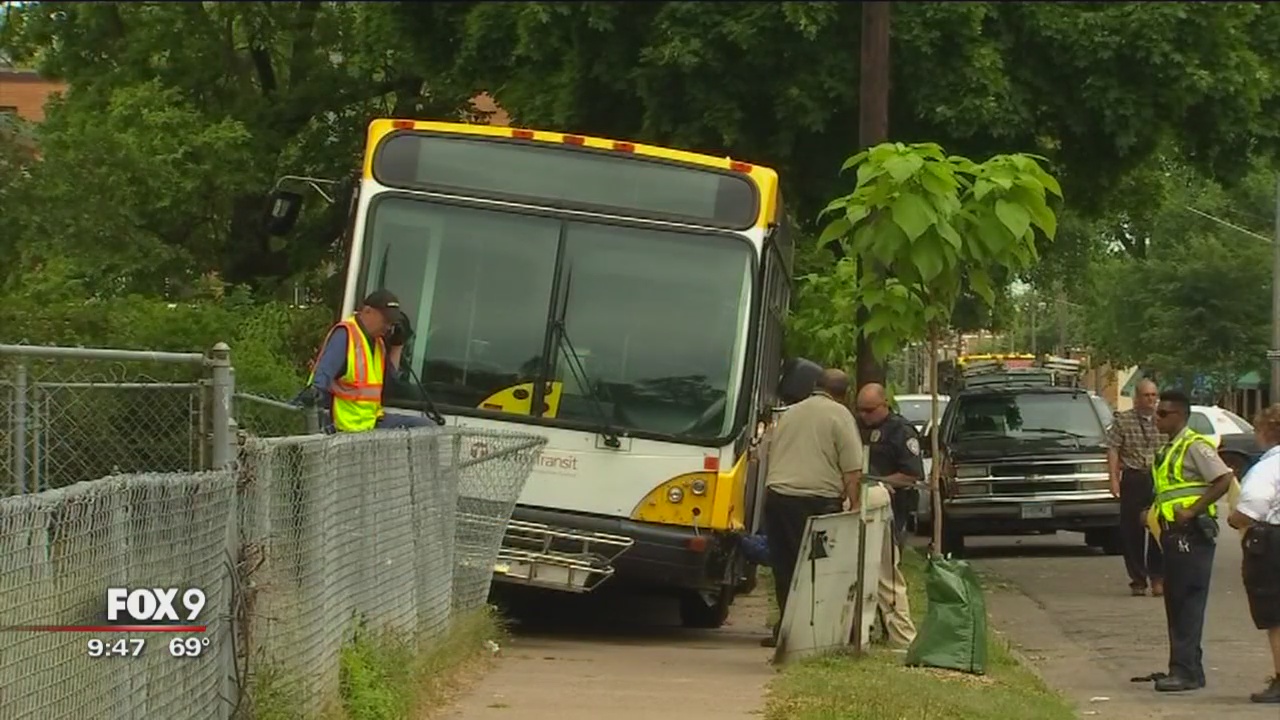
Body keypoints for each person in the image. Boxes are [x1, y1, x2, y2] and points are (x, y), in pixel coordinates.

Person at [760, 368, 864, 648]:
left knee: (785, 567)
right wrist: (854, 507)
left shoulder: (790, 413)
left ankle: (786, 630)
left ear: (815, 386)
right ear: (845, 394)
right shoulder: (840, 415)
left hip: (779, 498)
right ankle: (814, 633)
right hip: (816, 501)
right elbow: (852, 470)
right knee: (819, 569)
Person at [1139, 389, 1234, 693]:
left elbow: (1223, 479)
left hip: (1191, 534)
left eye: (1163, 413)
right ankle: (1187, 667)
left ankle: (1185, 671)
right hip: (1172, 532)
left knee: (1186, 601)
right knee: (1177, 600)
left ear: (1180, 415)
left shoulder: (1194, 446)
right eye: (1157, 412)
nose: (1157, 418)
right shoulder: (1170, 448)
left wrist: (1192, 510)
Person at [297, 289, 437, 433]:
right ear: (367, 311)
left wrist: (397, 346)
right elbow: (319, 385)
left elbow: (391, 385)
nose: (388, 327)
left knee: (427, 427)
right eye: (386, 321)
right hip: (344, 428)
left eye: (392, 323)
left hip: (371, 422)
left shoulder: (378, 343)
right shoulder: (345, 336)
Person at [854, 383, 921, 647]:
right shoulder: (858, 428)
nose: (864, 416)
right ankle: (866, 629)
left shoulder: (901, 431)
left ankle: (897, 634)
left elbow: (912, 474)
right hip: (862, 506)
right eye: (860, 410)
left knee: (887, 571)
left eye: (869, 411)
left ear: (884, 405)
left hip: (892, 509)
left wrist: (878, 482)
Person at [1227, 403, 1280, 703]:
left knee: (1274, 613)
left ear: (1265, 432)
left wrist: (1233, 519)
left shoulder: (1268, 467)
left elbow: (1251, 509)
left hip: (1273, 541)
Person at [1106, 379, 1167, 596]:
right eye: (1146, 396)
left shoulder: (1163, 420)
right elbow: (1113, 449)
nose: (1151, 400)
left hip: (1158, 479)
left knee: (1159, 528)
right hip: (1133, 477)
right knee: (1132, 531)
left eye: (1153, 395)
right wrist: (1113, 479)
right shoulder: (1123, 421)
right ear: (1137, 398)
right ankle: (1138, 579)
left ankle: (1158, 577)